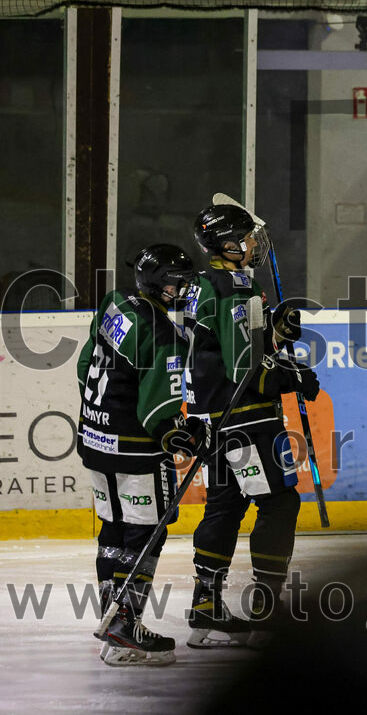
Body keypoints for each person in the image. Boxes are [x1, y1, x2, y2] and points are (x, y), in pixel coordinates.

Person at [184, 200, 320, 648]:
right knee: (279, 502)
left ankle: (205, 605)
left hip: (213, 417)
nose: (252, 245)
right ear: (226, 244)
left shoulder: (208, 284)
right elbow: (248, 369)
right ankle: (265, 604)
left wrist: (276, 333)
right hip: (246, 417)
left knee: (225, 504)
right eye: (245, 238)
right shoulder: (234, 290)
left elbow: (228, 348)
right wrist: (293, 376)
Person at [77, 244, 203, 666]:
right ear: (158, 284)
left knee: (114, 528)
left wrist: (105, 414)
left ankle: (114, 620)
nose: (184, 289)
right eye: (177, 283)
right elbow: (158, 411)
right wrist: (178, 434)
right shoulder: (162, 333)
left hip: (95, 439)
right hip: (135, 450)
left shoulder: (115, 303)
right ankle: (126, 623)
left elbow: (83, 369)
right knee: (146, 532)